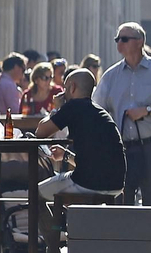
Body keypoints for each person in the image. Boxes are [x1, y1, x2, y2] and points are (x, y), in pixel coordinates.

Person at [94, 22, 151, 253]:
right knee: (121, 199)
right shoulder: (111, 75)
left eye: (124, 38)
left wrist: (147, 110)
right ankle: (124, 250)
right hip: (122, 147)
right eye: (117, 39)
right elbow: (98, 108)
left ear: (139, 42)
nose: (119, 43)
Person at [35, 69, 125, 201]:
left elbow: (40, 132)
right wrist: (66, 155)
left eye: (65, 88)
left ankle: (56, 222)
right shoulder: (100, 112)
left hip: (88, 183)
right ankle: (62, 221)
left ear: (72, 87)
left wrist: (57, 109)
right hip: (115, 184)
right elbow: (93, 160)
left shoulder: (73, 106)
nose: (64, 93)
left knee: (35, 193)